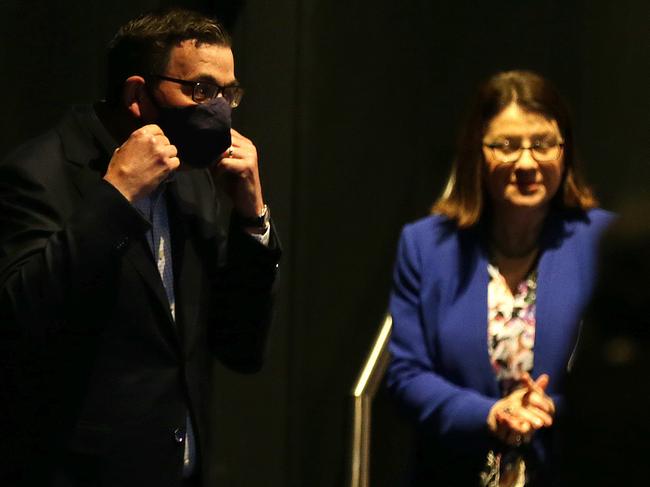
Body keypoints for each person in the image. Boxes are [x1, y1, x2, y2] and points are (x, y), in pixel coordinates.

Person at [0, 8, 280, 487]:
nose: (222, 110)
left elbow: (240, 346)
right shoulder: (39, 173)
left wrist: (253, 220)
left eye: (228, 93)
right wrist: (115, 198)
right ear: (137, 94)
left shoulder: (191, 184)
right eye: (202, 90)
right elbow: (19, 321)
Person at [386, 70, 614, 486]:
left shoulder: (605, 243)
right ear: (478, 151)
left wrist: (547, 409)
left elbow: (625, 380)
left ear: (564, 152)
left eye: (543, 144)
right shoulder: (424, 246)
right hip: (450, 472)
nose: (526, 163)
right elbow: (406, 376)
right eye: (506, 146)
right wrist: (491, 414)